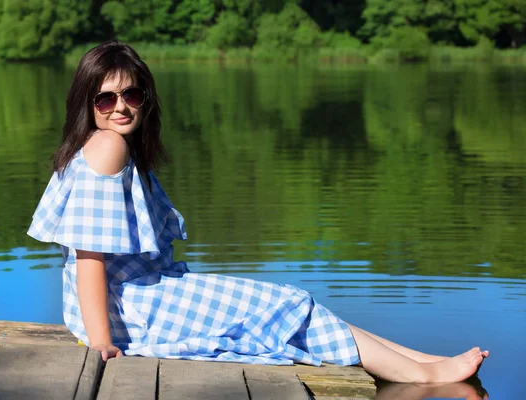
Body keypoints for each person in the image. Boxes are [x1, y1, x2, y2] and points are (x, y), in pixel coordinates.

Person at [27, 40, 488, 383]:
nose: (121, 107)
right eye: (106, 99)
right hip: (129, 307)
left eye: (132, 95)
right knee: (288, 304)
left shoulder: (106, 148)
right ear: (87, 104)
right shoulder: (106, 146)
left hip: (142, 296)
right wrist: (103, 341)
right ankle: (422, 377)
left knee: (290, 305)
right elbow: (88, 255)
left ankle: (420, 361)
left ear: (145, 98)